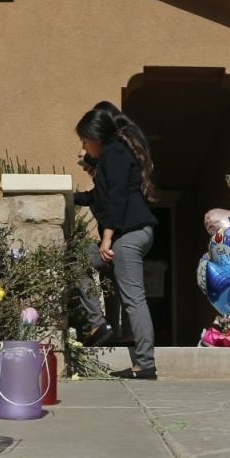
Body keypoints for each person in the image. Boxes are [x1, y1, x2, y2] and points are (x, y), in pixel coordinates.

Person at [73, 102, 159, 379]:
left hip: (130, 235)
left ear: (96, 138)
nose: (83, 148)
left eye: (85, 141)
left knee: (134, 298)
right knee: (78, 260)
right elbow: (97, 196)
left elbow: (118, 198)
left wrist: (107, 238)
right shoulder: (109, 159)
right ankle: (99, 325)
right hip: (125, 235)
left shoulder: (116, 153)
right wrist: (68, 196)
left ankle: (145, 364)